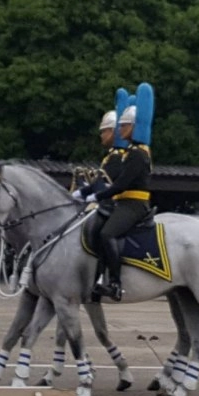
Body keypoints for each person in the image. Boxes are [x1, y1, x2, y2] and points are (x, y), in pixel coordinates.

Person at [84, 105, 152, 302]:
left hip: (134, 204)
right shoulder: (130, 152)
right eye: (120, 126)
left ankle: (115, 283)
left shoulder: (138, 153)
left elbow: (122, 184)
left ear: (134, 127)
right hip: (124, 202)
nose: (120, 130)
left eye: (124, 126)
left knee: (108, 233)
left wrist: (96, 196)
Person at [71, 111, 125, 296]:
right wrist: (84, 188)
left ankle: (113, 281)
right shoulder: (111, 156)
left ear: (113, 132)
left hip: (117, 204)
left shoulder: (118, 156)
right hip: (108, 202)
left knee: (106, 234)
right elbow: (99, 183)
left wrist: (85, 191)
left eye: (104, 131)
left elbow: (104, 184)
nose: (101, 135)